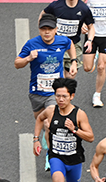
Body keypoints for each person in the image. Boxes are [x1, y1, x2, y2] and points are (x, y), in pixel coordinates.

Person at [34, 78, 94, 182]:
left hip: (74, 159)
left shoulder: (79, 114)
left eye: (64, 97)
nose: (60, 100)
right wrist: (35, 139)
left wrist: (74, 129)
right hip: (56, 157)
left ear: (71, 96)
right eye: (58, 96)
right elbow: (39, 119)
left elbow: (90, 137)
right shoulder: (51, 111)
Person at [16, 14, 79, 157]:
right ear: (39, 30)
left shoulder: (62, 41)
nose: (46, 32)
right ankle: (47, 135)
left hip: (55, 93)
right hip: (36, 93)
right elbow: (16, 63)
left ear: (56, 29)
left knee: (49, 121)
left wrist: (74, 61)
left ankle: (50, 156)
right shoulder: (31, 44)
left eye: (50, 29)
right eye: (43, 29)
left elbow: (70, 44)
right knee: (41, 120)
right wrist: (28, 58)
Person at [41, 0, 95, 79]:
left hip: (74, 47)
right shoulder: (56, 6)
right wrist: (44, 33)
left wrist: (89, 40)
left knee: (69, 79)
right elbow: (43, 15)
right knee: (56, 79)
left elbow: (91, 27)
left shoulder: (83, 9)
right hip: (56, 46)